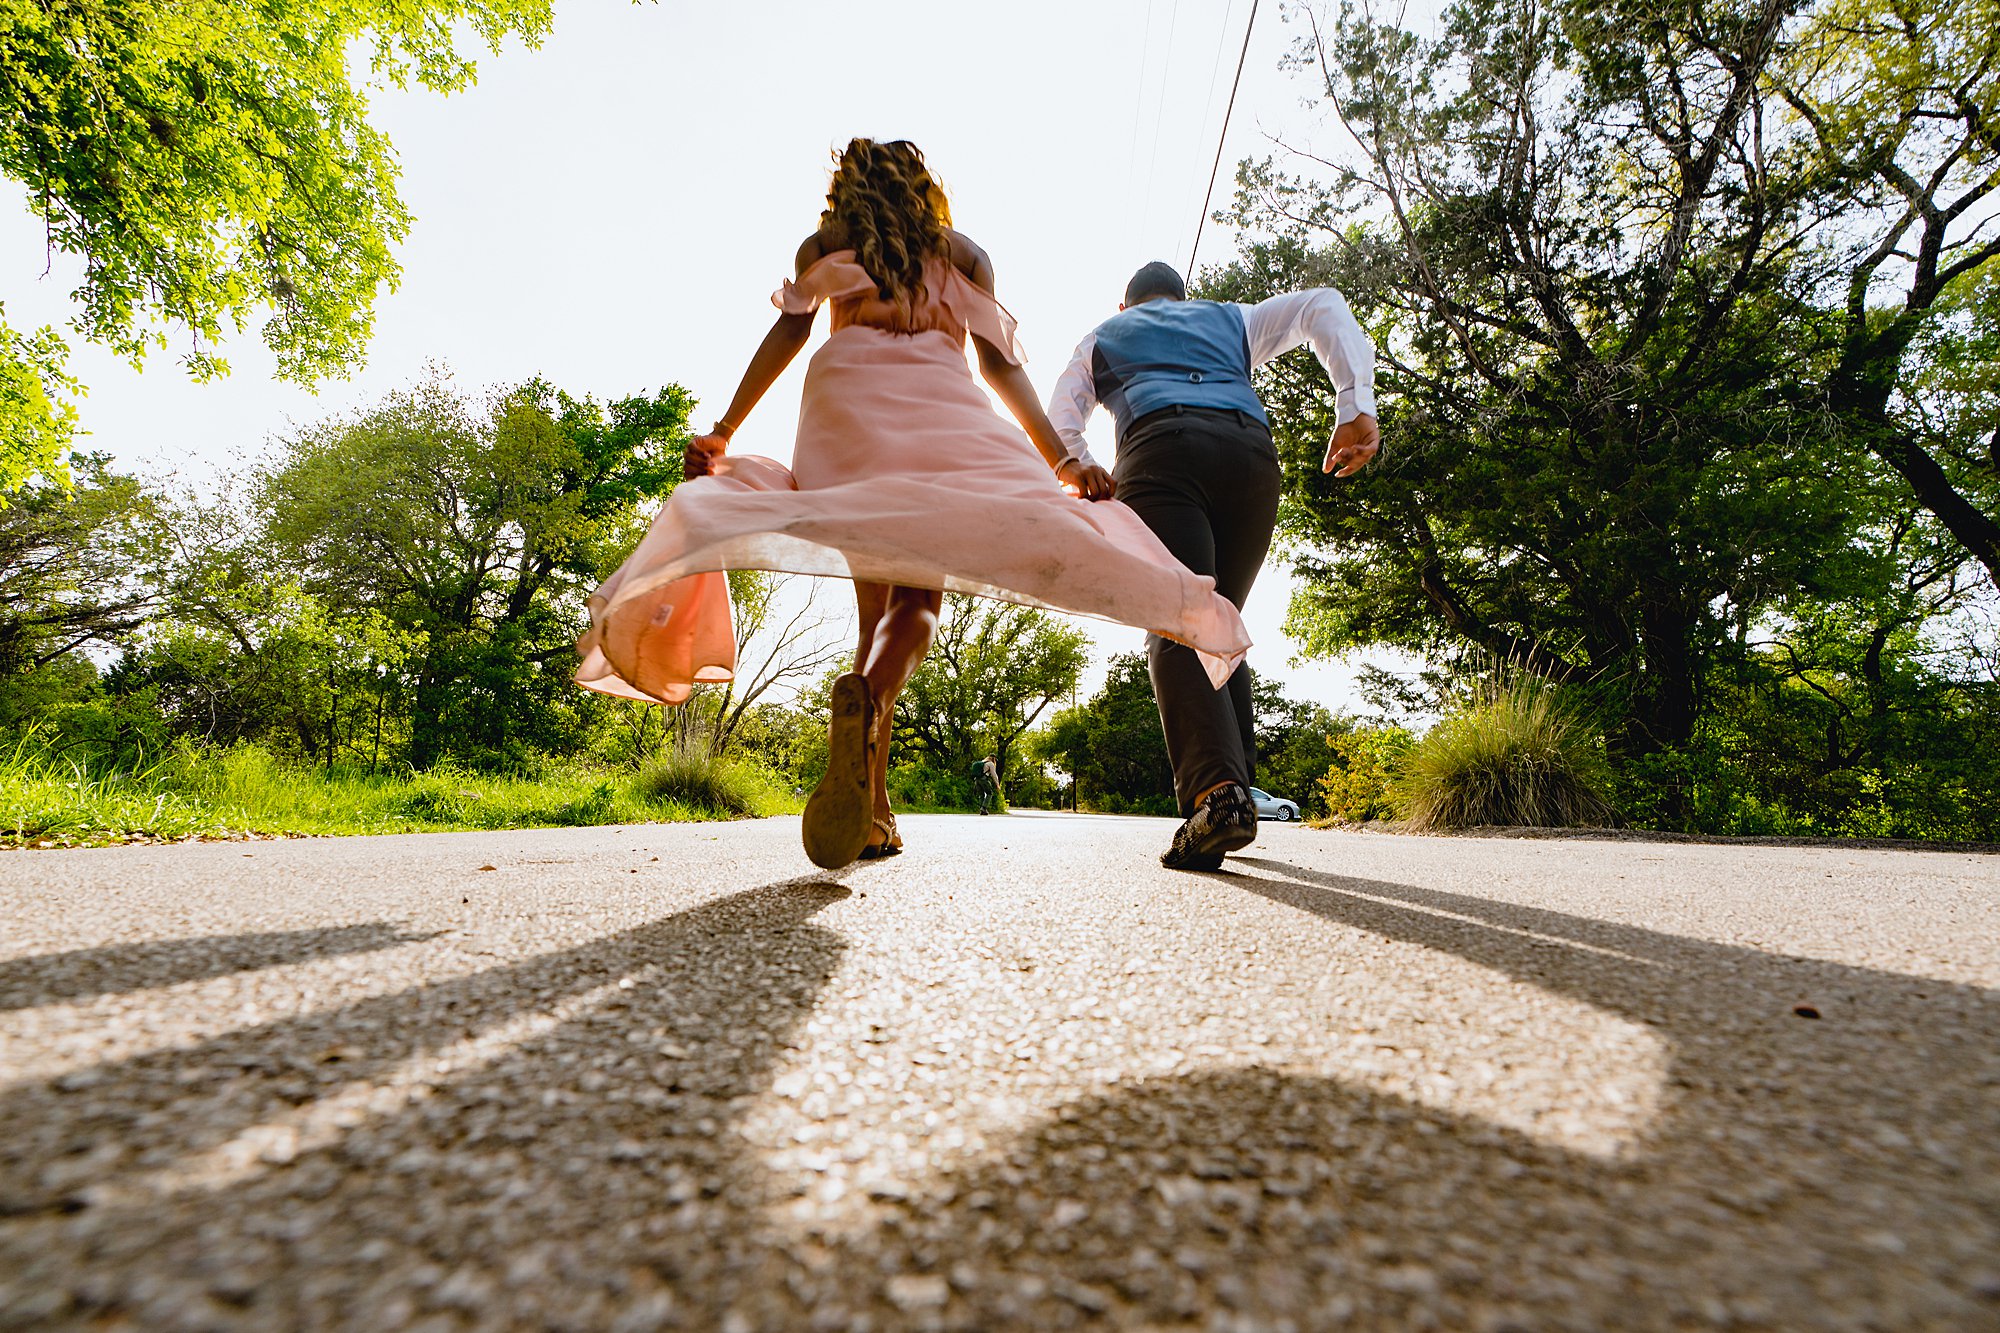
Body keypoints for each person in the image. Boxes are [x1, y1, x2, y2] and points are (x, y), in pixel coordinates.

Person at [576, 142, 1251, 870]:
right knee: (915, 607)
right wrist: (1066, 459)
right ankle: (867, 710)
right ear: (929, 192)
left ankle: (875, 807)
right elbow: (999, 364)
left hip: (846, 411)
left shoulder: (828, 244)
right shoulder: (964, 256)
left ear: (849, 189)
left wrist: (725, 428)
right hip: (939, 412)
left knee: (875, 610)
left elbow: (791, 329)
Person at [1047, 261, 1380, 870]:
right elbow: (1322, 304)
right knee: (1219, 618)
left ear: (1127, 307)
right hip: (1249, 456)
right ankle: (1239, 786)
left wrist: (1076, 462)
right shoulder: (1232, 320)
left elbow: (1061, 411)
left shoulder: (1105, 334)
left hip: (1161, 452)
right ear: (1184, 298)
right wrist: (1354, 405)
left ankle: (1216, 794)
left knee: (1180, 618)